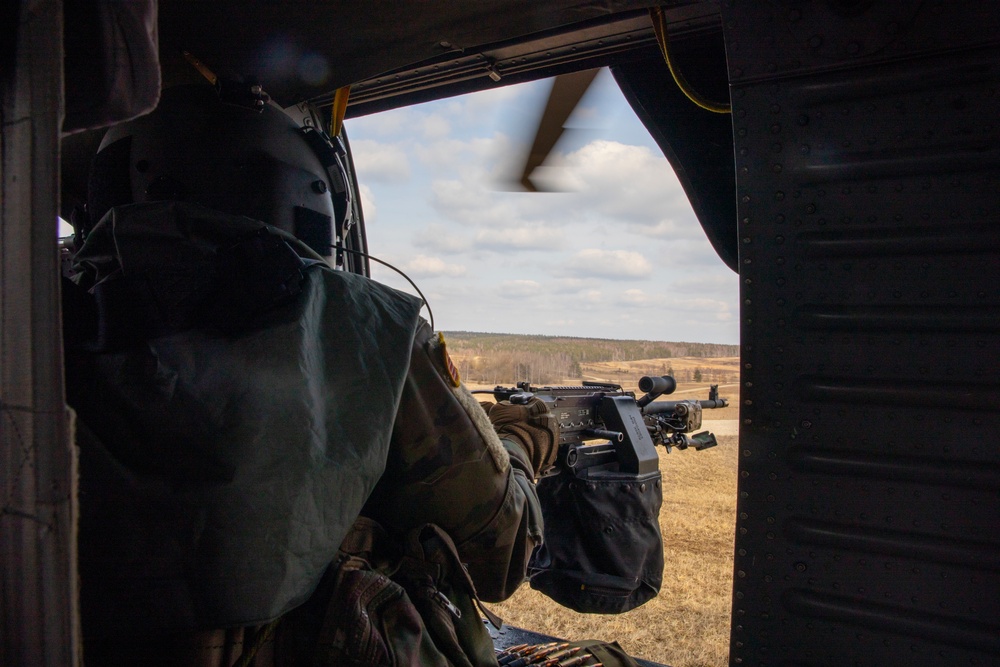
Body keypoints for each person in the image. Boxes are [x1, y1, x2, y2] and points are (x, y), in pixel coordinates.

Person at [63, 81, 558, 665]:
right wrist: (524, 438)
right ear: (308, 195)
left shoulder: (40, 322)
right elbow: (499, 551)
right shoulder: (366, 327)